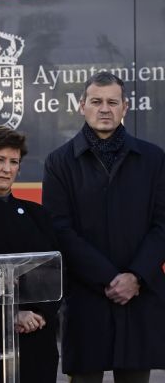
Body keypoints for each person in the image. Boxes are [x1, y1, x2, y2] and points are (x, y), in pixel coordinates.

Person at [43, 71, 165, 383]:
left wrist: (135, 276)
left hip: (140, 295)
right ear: (82, 105)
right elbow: (60, 229)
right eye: (96, 101)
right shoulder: (59, 162)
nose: (105, 108)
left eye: (113, 102)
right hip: (86, 298)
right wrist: (110, 278)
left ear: (125, 107)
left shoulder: (153, 159)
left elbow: (162, 225)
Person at [0, 126, 59, 383]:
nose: (7, 169)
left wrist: (38, 315)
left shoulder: (38, 215)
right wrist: (9, 314)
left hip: (36, 338)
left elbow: (56, 272)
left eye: (14, 162)